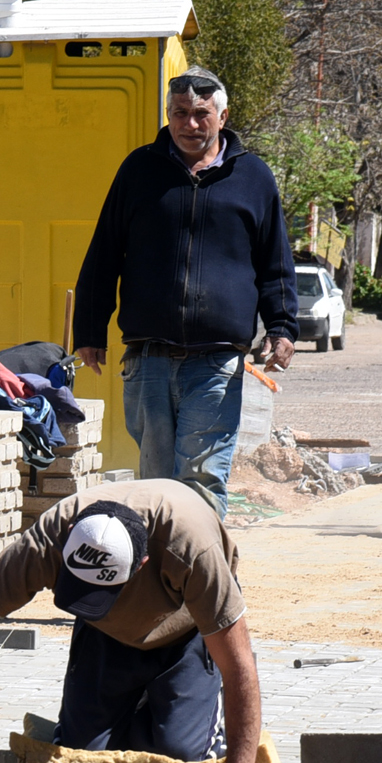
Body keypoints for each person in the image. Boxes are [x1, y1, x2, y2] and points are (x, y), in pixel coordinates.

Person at [0, 479, 266, 763]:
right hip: (104, 634)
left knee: (182, 757)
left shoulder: (191, 550)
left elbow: (239, 668)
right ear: (70, 535)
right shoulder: (47, 540)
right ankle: (127, 710)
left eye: (102, 590)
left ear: (141, 563)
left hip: (187, 630)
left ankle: (173, 711)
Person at [73, 71, 295, 518]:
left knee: (203, 477)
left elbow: (276, 263)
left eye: (200, 114)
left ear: (222, 116)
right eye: (179, 114)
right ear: (168, 116)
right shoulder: (139, 170)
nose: (190, 124)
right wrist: (90, 328)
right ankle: (159, 580)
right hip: (148, 358)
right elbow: (104, 253)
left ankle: (201, 578)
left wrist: (282, 327)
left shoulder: (253, 177)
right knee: (155, 480)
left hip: (216, 360)